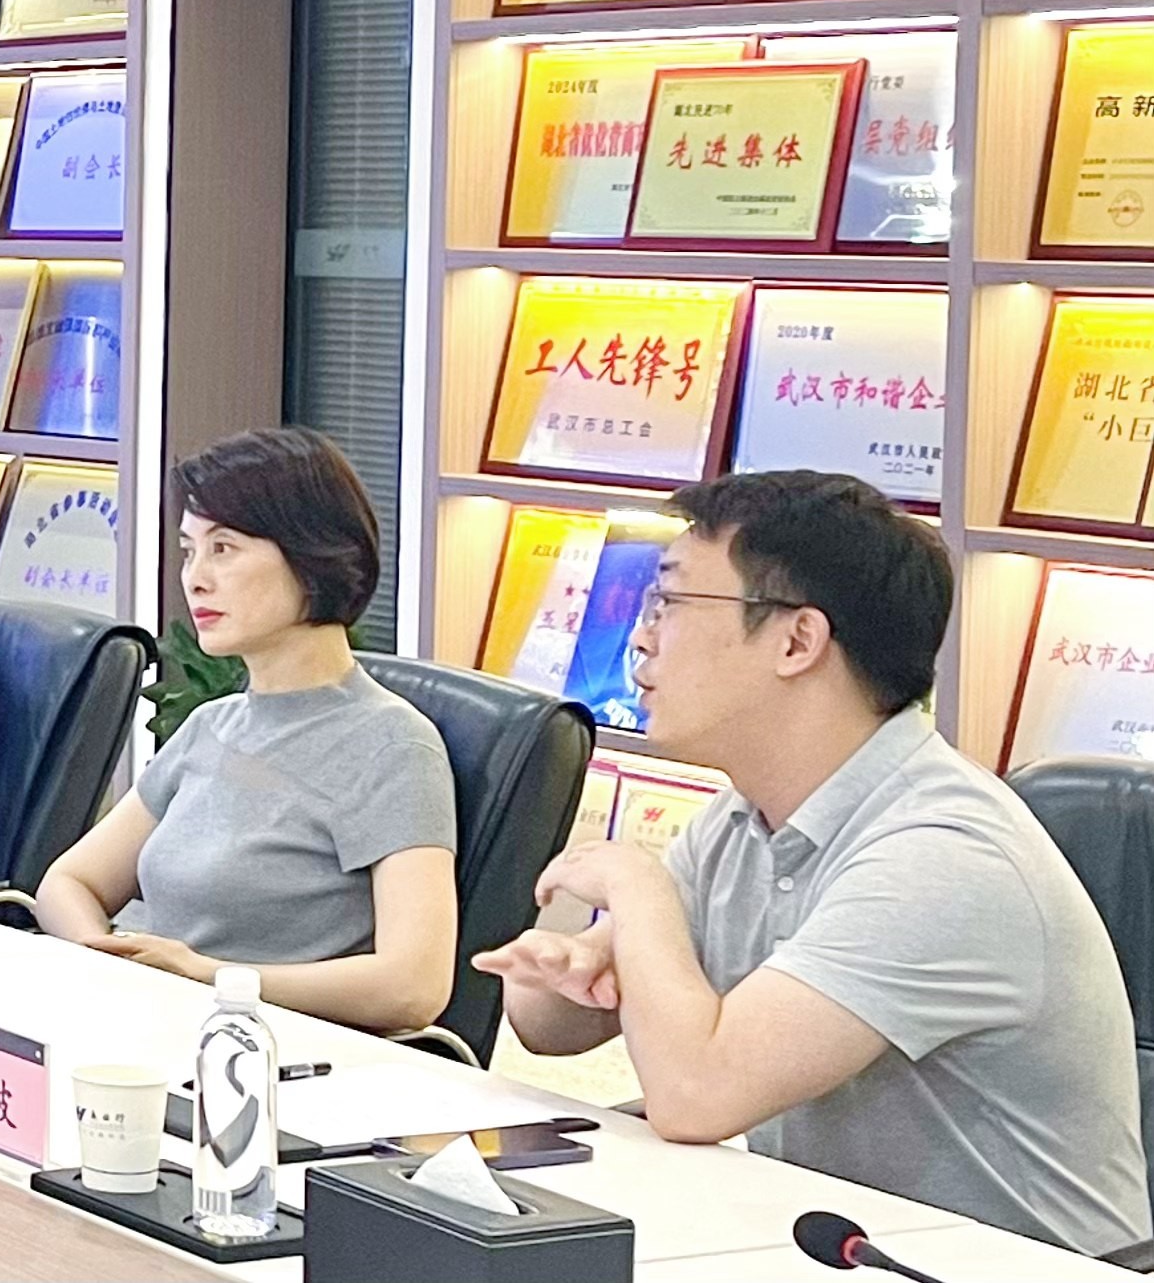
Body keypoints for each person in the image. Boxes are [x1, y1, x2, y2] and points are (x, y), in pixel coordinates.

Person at [478, 468, 1145, 1255]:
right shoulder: (746, 814)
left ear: (797, 641)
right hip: (822, 1240)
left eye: (671, 603)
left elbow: (696, 1094)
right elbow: (551, 1026)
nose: (641, 636)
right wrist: (562, 967)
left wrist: (635, 886)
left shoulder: (942, 854)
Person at [31, 427, 457, 1033]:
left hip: (273, 1053)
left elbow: (414, 987)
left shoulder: (393, 746)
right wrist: (106, 957)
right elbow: (69, 882)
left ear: (312, 557)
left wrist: (210, 977)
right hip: (152, 1024)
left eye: (224, 549)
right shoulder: (212, 724)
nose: (195, 578)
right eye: (190, 551)